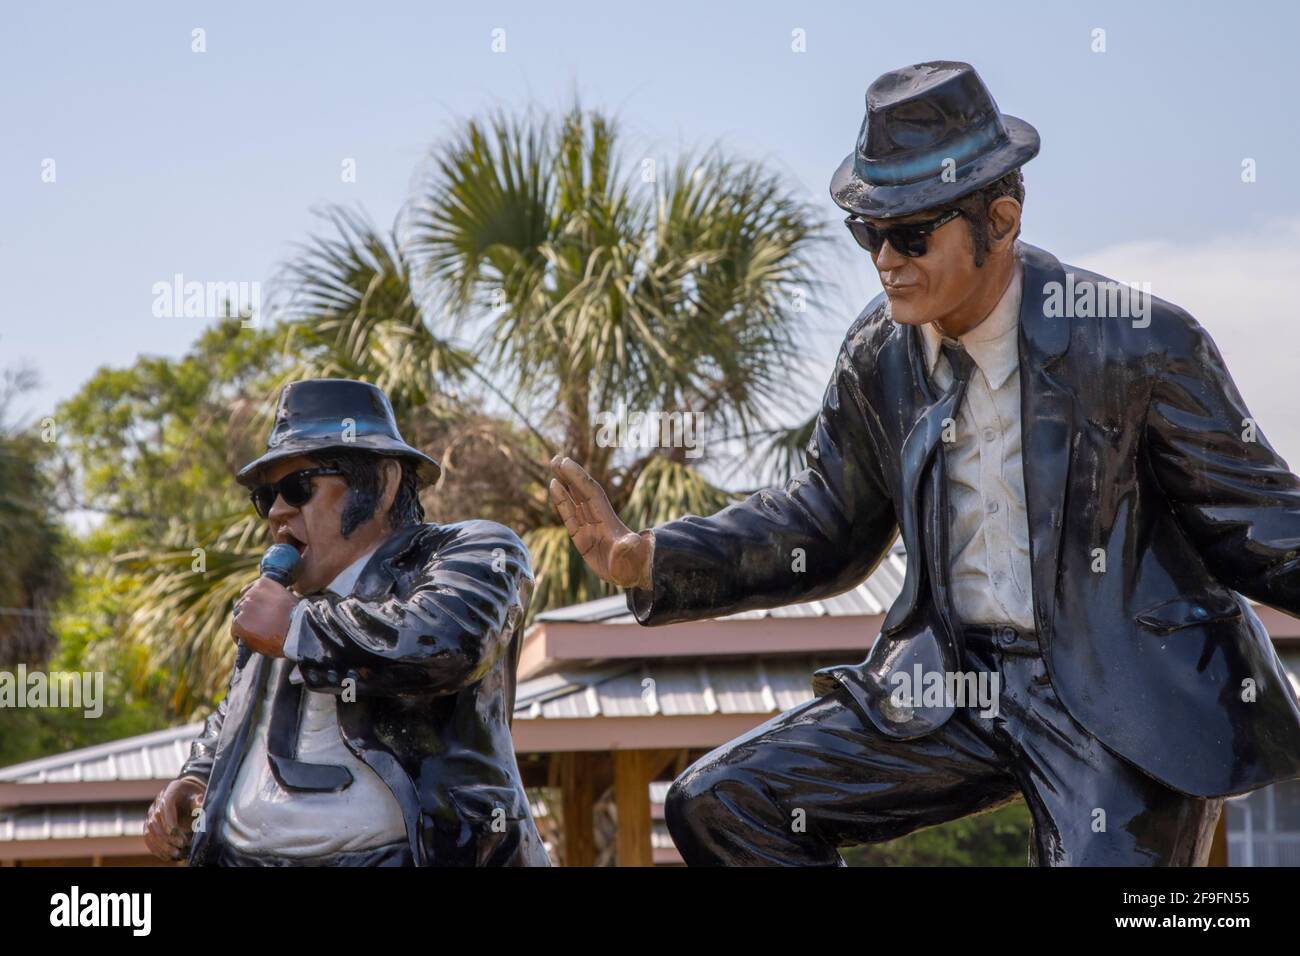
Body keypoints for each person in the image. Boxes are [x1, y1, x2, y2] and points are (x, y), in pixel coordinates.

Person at [548, 61, 1300, 866]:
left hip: (1122, 695)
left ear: (1002, 220)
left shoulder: (1137, 343)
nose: (885, 260)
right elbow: (823, 523)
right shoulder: (879, 356)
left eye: (912, 235)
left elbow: (1259, 523)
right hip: (948, 684)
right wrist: (651, 558)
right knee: (723, 803)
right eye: (868, 233)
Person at [145, 378, 549, 866]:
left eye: (298, 487)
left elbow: (447, 642)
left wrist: (298, 628)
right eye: (266, 497)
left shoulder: (470, 550)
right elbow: (242, 708)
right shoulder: (282, 601)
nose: (277, 511)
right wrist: (198, 777)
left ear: (383, 483)